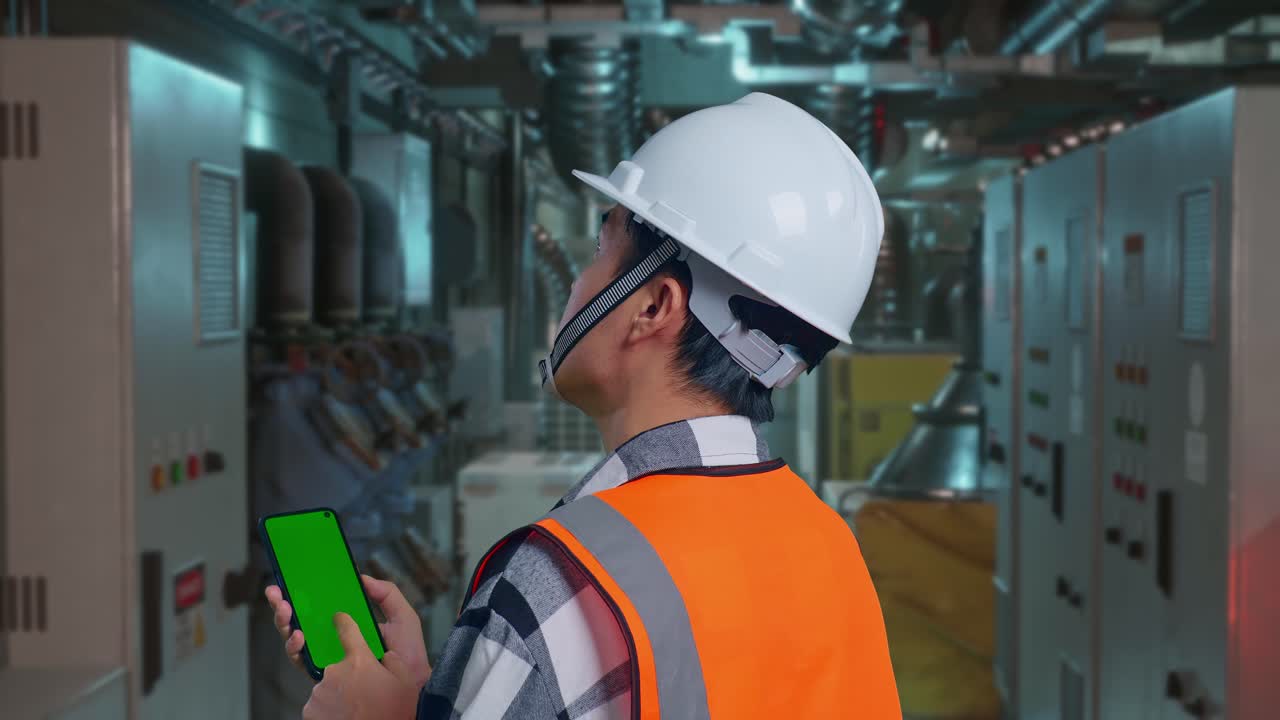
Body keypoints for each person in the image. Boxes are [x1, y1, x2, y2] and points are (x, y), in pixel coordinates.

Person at [265, 91, 902, 719]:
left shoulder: (560, 584)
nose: (577, 282)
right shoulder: (830, 544)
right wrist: (431, 700)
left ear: (653, 305)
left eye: (601, 252)